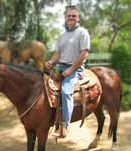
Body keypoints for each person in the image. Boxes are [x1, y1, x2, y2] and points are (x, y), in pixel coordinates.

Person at [45, 5, 90, 138]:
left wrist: (70, 69)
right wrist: (51, 62)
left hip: (75, 68)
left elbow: (84, 53)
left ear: (78, 18)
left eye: (73, 16)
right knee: (43, 86)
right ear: (65, 18)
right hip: (60, 66)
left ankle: (65, 126)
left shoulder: (82, 33)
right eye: (69, 16)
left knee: (65, 91)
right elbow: (57, 53)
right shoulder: (62, 35)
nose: (71, 18)